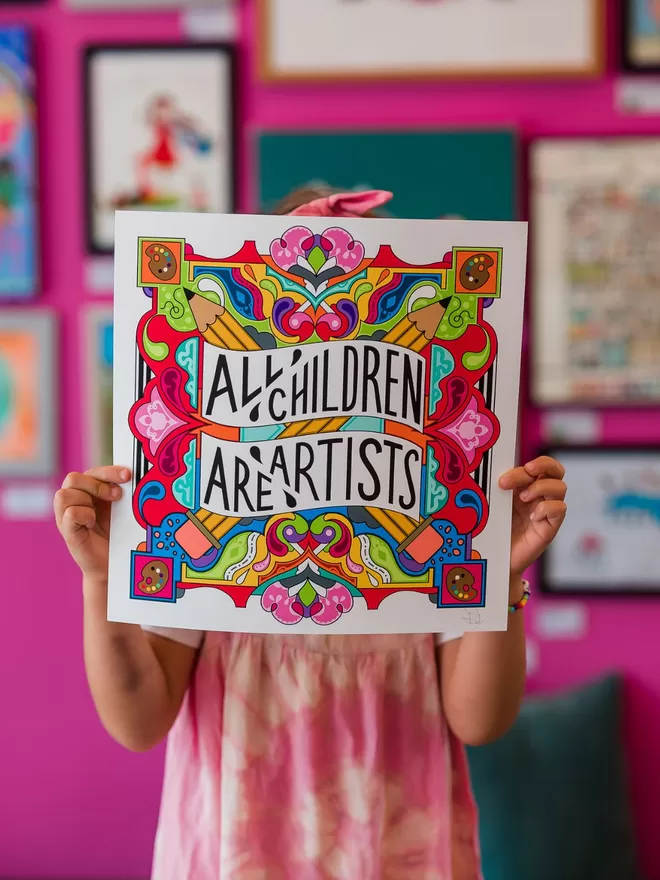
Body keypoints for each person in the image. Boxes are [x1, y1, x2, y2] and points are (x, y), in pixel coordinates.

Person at [55, 188, 568, 879]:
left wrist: (499, 577)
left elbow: (481, 719)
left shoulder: (434, 518)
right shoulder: (200, 521)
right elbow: (138, 721)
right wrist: (101, 579)